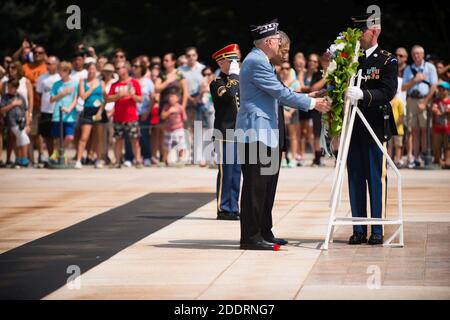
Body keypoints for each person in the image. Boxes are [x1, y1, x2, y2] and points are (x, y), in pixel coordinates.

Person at [236, 20, 330, 251]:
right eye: (278, 41)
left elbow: (280, 93)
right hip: (255, 133)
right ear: (268, 42)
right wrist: (312, 103)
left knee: (266, 186)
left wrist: (312, 94)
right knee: (255, 187)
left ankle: (263, 231)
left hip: (265, 133)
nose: (280, 45)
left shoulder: (262, 61)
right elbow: (279, 92)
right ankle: (250, 236)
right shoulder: (256, 62)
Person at [345, 14, 399, 245]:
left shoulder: (387, 60)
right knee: (355, 177)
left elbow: (388, 92)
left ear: (374, 32)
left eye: (361, 31)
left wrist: (364, 95)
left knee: (376, 179)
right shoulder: (349, 59)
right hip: (354, 127)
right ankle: (359, 229)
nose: (357, 36)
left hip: (375, 126)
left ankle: (377, 229)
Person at [210, 44, 241, 221]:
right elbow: (229, 95)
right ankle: (223, 208)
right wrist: (235, 76)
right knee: (226, 171)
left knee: (236, 171)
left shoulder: (237, 80)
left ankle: (233, 206)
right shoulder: (217, 83)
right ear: (222, 63)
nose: (235, 64)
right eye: (232, 61)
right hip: (225, 133)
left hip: (240, 132)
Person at [402, 45, 438, 168]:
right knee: (414, 131)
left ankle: (424, 155)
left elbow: (434, 86)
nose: (416, 56)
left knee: (425, 130)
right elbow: (403, 88)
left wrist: (425, 102)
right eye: (414, 54)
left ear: (423, 55)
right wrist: (414, 80)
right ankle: (416, 158)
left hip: (425, 99)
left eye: (418, 53)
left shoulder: (430, 67)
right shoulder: (408, 69)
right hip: (412, 100)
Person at [106, 61, 143, 168]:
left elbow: (140, 99)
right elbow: (108, 99)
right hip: (118, 117)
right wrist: (118, 95)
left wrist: (133, 95)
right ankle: (117, 161)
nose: (118, 70)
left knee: (135, 140)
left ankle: (138, 161)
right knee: (118, 140)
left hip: (131, 117)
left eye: (120, 68)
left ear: (126, 69)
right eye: (117, 68)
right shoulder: (115, 84)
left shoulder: (134, 83)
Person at [124, 57, 155, 167]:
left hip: (144, 112)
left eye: (136, 66)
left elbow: (152, 98)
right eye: (133, 66)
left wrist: (147, 111)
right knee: (129, 137)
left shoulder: (148, 82)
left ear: (142, 68)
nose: (134, 68)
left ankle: (146, 157)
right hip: (131, 113)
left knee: (144, 135)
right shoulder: (129, 81)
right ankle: (129, 157)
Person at [75, 62, 106, 169]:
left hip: (98, 111)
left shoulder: (101, 83)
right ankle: (78, 160)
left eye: (94, 69)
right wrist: (91, 88)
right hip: (87, 111)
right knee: (84, 137)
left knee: (98, 137)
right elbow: (82, 96)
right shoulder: (82, 82)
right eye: (90, 69)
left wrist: (100, 112)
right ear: (86, 70)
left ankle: (98, 160)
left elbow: (103, 99)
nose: (92, 71)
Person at [49, 61, 79, 163]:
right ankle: (60, 156)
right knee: (58, 137)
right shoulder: (56, 84)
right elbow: (51, 99)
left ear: (68, 71)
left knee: (70, 136)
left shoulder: (75, 83)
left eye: (62, 71)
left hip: (70, 115)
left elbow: (75, 99)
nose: (60, 73)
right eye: (59, 71)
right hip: (58, 114)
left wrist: (69, 109)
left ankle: (58, 153)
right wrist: (62, 94)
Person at [23, 45, 48, 166]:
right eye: (35, 52)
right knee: (32, 132)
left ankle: (42, 155)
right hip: (30, 105)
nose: (38, 54)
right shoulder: (26, 67)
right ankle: (30, 157)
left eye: (40, 52)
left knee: (41, 133)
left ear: (44, 54)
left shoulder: (47, 67)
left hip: (45, 105)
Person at [0, 78, 30, 168]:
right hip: (12, 122)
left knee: (19, 140)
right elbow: (1, 110)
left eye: (11, 87)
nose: (9, 89)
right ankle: (24, 160)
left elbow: (26, 110)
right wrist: (12, 104)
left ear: (16, 88)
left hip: (22, 122)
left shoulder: (21, 97)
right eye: (8, 87)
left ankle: (19, 159)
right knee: (24, 138)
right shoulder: (5, 97)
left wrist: (28, 124)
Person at [36, 56, 61, 162]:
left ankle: (58, 157)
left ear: (56, 65)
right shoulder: (42, 78)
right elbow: (39, 94)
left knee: (57, 136)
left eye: (51, 64)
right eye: (47, 64)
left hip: (58, 111)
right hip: (46, 111)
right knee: (47, 136)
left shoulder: (60, 77)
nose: (48, 66)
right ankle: (51, 157)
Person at [160, 89, 187, 166]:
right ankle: (164, 160)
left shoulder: (180, 107)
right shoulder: (166, 107)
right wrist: (169, 112)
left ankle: (181, 160)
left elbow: (184, 118)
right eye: (169, 97)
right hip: (168, 129)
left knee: (181, 145)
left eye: (173, 97)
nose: (171, 99)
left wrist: (183, 127)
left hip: (179, 129)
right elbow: (162, 116)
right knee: (166, 145)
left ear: (177, 98)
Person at [431, 81, 450, 167]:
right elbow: (434, 109)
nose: (441, 91)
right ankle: (437, 160)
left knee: (447, 146)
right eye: (440, 89)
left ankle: (447, 160)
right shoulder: (436, 101)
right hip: (437, 128)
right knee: (436, 146)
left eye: (443, 89)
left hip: (448, 128)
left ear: (448, 90)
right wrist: (437, 110)